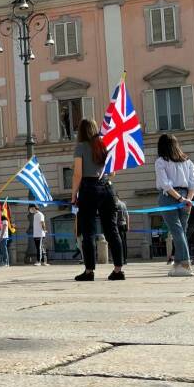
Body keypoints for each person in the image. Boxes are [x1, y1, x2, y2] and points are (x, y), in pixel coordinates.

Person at [70, 118, 125, 281]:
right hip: (107, 188)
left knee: (88, 232)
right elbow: (113, 172)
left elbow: (78, 174)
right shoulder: (104, 145)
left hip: (89, 189)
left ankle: (89, 271)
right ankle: (118, 270)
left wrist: (73, 194)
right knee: (112, 230)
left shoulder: (80, 147)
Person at [155, 134, 194, 277]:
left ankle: (185, 263)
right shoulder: (188, 161)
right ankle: (178, 263)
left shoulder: (161, 161)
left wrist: (180, 199)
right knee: (181, 231)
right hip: (186, 196)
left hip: (170, 197)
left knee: (176, 230)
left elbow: (165, 184)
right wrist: (188, 199)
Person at [115, 197, 129, 266]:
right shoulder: (123, 204)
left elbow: (115, 216)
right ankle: (125, 259)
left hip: (118, 225)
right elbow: (127, 215)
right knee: (124, 243)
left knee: (118, 243)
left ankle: (120, 259)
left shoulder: (116, 204)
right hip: (124, 224)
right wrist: (128, 226)